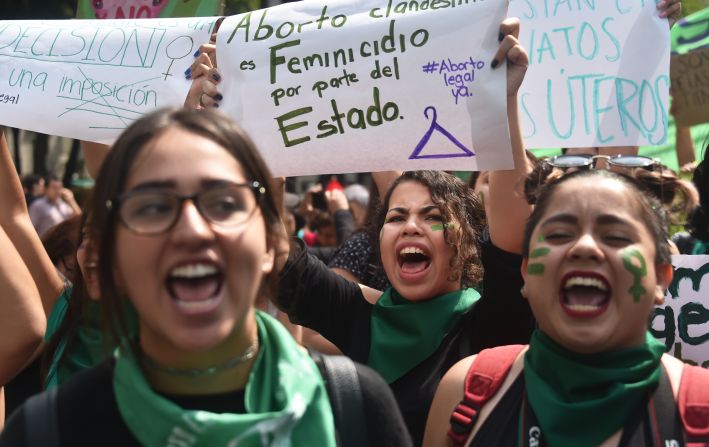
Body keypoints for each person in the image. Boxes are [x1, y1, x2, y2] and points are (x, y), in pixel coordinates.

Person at [0, 108, 411, 447]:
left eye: (223, 202)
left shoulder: (356, 406)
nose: (192, 230)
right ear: (114, 259)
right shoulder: (45, 431)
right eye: (153, 207)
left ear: (271, 244)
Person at [423, 168, 706, 446]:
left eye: (616, 237)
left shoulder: (701, 404)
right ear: (526, 273)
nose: (584, 247)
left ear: (661, 278)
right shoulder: (466, 391)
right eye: (558, 234)